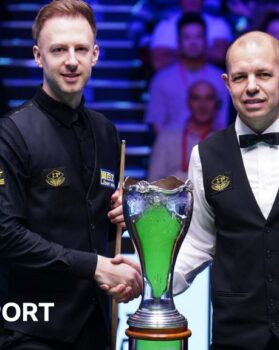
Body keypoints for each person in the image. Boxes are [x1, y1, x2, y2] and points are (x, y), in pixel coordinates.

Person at [110, 31, 279, 349]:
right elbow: (196, 244)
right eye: (240, 77)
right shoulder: (205, 156)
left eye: (264, 74)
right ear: (227, 84)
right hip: (237, 337)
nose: (251, 86)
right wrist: (146, 274)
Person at [0, 1, 142, 349]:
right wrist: (95, 266)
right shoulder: (12, 132)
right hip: (31, 329)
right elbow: (5, 235)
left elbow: (102, 225)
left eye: (81, 49)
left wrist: (128, 212)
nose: (71, 60)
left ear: (95, 54)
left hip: (96, 323)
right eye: (59, 49)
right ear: (38, 56)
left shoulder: (106, 131)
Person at [145, 12, 229, 134]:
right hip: (172, 148)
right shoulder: (161, 79)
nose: (193, 42)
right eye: (187, 37)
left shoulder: (221, 79)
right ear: (178, 42)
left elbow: (223, 122)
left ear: (205, 41)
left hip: (211, 147)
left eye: (198, 37)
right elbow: (157, 122)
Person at [148, 80, 219, 182]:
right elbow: (152, 183)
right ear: (188, 102)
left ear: (216, 103)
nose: (202, 105)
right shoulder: (167, 136)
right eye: (196, 98)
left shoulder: (224, 141)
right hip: (170, 197)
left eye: (209, 98)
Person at [149, 0, 232, 70]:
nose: (192, 1)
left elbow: (220, 56)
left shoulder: (219, 24)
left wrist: (173, 53)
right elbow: (158, 62)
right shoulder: (163, 26)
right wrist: (203, 52)